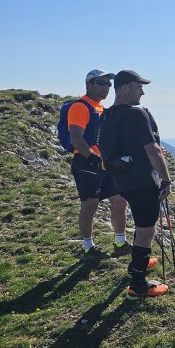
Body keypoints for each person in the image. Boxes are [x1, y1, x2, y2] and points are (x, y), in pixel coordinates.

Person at [98, 70, 170, 300]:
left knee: (142, 225)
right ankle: (138, 284)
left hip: (122, 179)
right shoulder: (137, 114)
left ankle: (137, 265)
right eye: (139, 87)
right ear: (126, 88)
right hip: (143, 181)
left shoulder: (107, 115)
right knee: (146, 228)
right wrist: (166, 179)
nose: (142, 91)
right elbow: (153, 149)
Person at [67, 69, 129, 258]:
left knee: (119, 201)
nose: (106, 88)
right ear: (88, 85)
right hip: (87, 163)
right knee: (90, 205)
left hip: (105, 163)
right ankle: (88, 248)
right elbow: (76, 138)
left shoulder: (101, 108)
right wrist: (94, 158)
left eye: (108, 84)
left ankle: (121, 243)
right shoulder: (80, 107)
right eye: (100, 83)